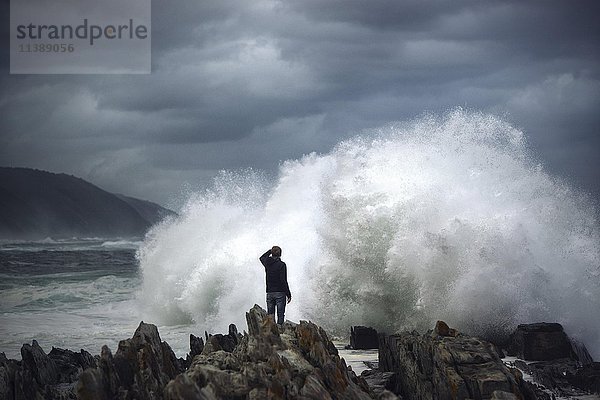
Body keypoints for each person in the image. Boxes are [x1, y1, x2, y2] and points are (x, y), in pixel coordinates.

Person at [259, 246, 291, 326]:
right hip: (280, 293)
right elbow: (283, 280)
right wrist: (288, 294)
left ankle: (272, 333)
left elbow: (262, 257)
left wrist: (270, 251)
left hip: (270, 292)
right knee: (280, 315)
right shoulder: (282, 265)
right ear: (280, 254)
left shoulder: (267, 263)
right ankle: (280, 331)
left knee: (270, 315)